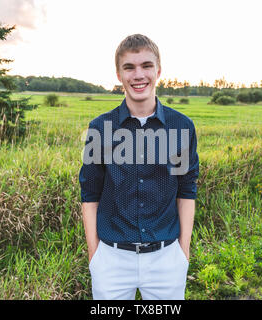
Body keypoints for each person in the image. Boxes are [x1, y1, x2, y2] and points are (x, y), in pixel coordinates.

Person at [79, 34, 199, 300]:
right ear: (119, 75)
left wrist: (183, 252)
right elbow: (89, 194)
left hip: (166, 260)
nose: (138, 75)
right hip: (111, 260)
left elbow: (186, 191)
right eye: (129, 67)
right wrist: (94, 255)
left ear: (158, 70)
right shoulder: (100, 128)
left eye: (146, 65)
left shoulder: (181, 127)